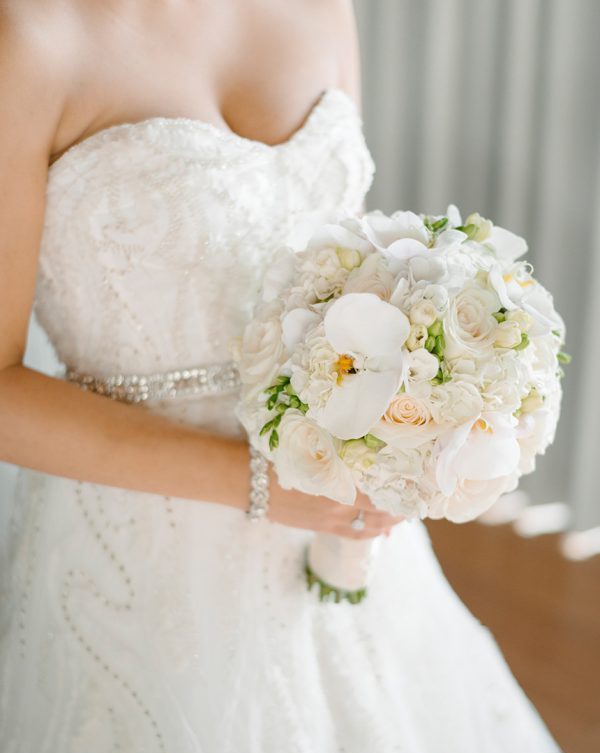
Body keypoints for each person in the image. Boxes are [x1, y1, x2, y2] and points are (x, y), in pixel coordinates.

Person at [0, 0, 563, 750]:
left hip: (342, 525)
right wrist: (263, 482)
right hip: (137, 560)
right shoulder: (30, 37)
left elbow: (349, 273)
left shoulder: (323, 8)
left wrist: (420, 403)